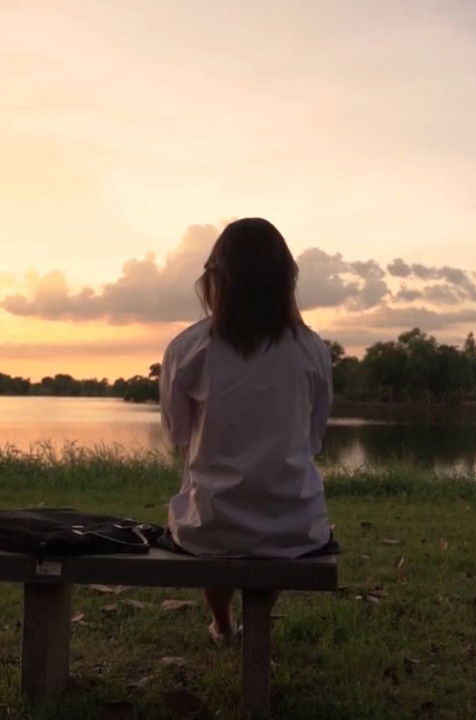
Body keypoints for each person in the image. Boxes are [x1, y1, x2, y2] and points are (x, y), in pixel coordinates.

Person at [156, 217, 338, 647]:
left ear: (215, 280)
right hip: (295, 526)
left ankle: (222, 625)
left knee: (211, 527)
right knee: (270, 537)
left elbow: (178, 435)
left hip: (210, 525)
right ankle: (252, 623)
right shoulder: (313, 350)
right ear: (286, 282)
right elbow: (312, 441)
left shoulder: (187, 349)